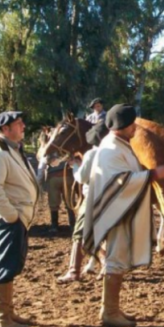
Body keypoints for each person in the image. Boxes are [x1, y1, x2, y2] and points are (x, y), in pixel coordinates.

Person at [83, 104, 164, 327]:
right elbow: (119, 182)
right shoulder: (112, 149)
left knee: (118, 260)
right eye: (132, 123)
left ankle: (111, 309)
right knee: (115, 260)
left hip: (121, 211)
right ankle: (110, 312)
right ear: (123, 126)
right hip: (117, 213)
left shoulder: (119, 145)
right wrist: (153, 174)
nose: (135, 127)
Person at [0, 111, 40, 327]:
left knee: (12, 263)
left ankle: (8, 312)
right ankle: (2, 318)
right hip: (11, 219)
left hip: (18, 219)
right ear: (5, 130)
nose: (23, 126)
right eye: (18, 124)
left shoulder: (12, 149)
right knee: (5, 264)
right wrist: (12, 216)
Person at [57, 120, 109, 283]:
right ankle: (107, 266)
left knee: (79, 233)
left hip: (92, 197)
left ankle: (74, 271)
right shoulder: (115, 151)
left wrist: (75, 166)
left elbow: (82, 177)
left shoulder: (91, 154)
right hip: (111, 196)